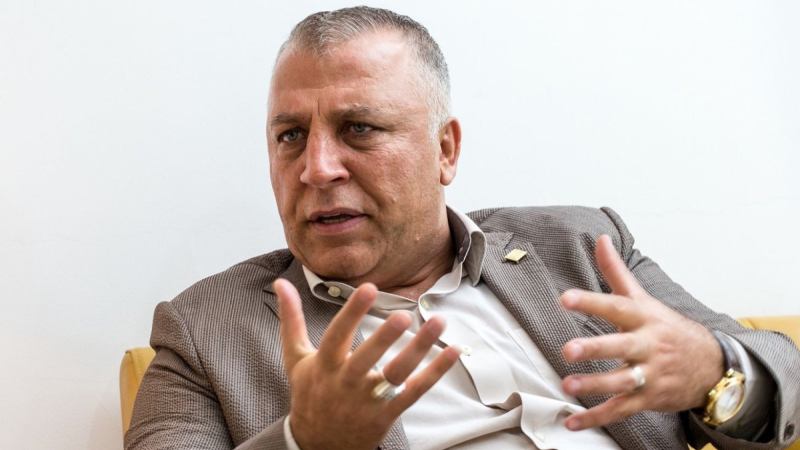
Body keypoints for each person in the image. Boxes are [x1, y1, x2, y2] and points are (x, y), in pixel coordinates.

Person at [125, 6, 800, 450]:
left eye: (359, 128)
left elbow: (784, 374)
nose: (317, 168)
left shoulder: (581, 248)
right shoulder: (204, 331)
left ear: (445, 149)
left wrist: (716, 372)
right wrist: (307, 442)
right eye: (290, 136)